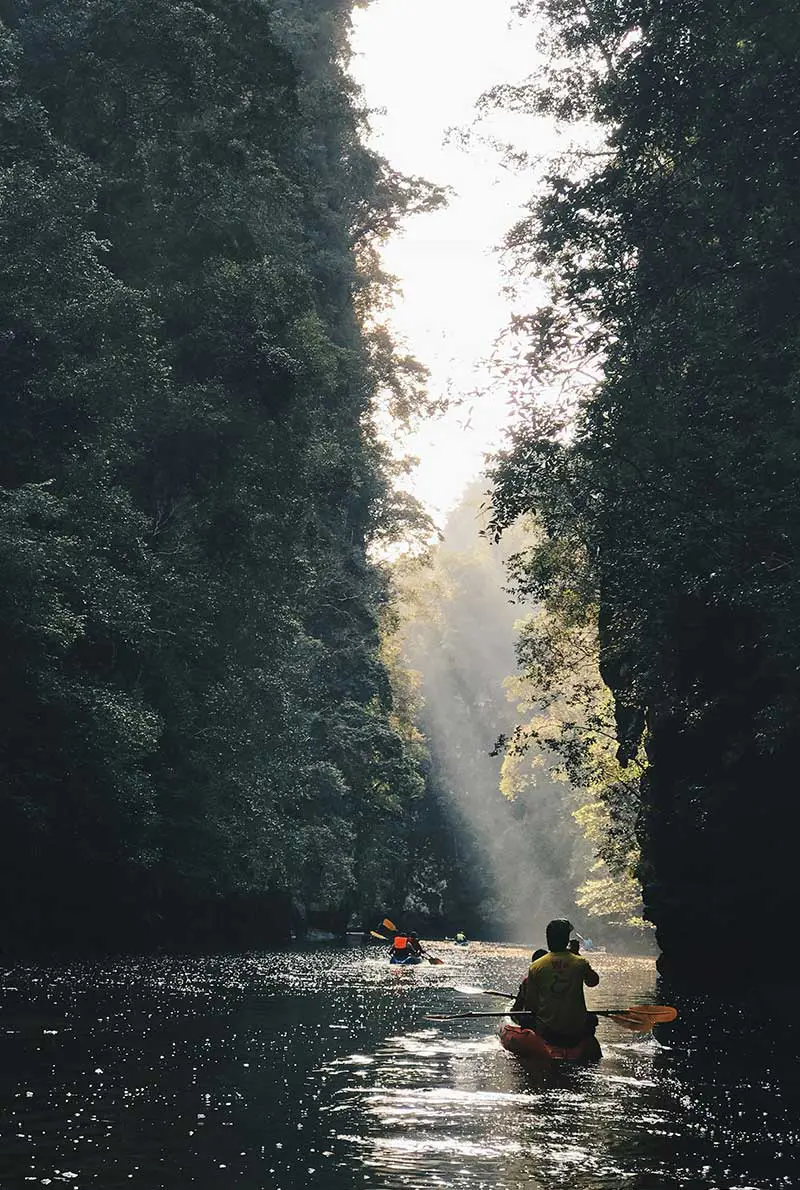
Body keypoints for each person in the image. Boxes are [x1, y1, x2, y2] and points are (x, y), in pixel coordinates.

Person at [512, 919, 600, 1053]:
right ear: (566, 941)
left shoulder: (536, 966)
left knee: (525, 1017)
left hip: (548, 1032)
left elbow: (531, 1005)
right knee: (592, 1019)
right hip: (576, 1031)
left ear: (548, 939)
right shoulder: (580, 962)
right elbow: (593, 982)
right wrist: (576, 954)